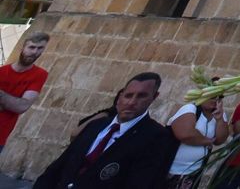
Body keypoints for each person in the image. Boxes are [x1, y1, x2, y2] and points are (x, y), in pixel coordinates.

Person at [32, 72, 177, 189]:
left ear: (154, 97)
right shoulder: (96, 126)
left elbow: (141, 182)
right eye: (128, 95)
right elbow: (60, 165)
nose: (132, 102)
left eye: (141, 96)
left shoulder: (156, 137)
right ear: (120, 96)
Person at [165, 80, 229, 189]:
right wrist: (208, 141)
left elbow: (220, 140)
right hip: (171, 169)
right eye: (213, 96)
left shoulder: (220, 115)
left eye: (219, 97)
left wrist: (219, 119)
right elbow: (186, 134)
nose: (216, 100)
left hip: (193, 173)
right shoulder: (190, 109)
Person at [0, 32, 49, 152]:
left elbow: (22, 106)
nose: (35, 52)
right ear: (23, 47)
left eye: (40, 48)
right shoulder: (2, 72)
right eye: (31, 47)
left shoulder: (39, 75)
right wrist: (11, 102)